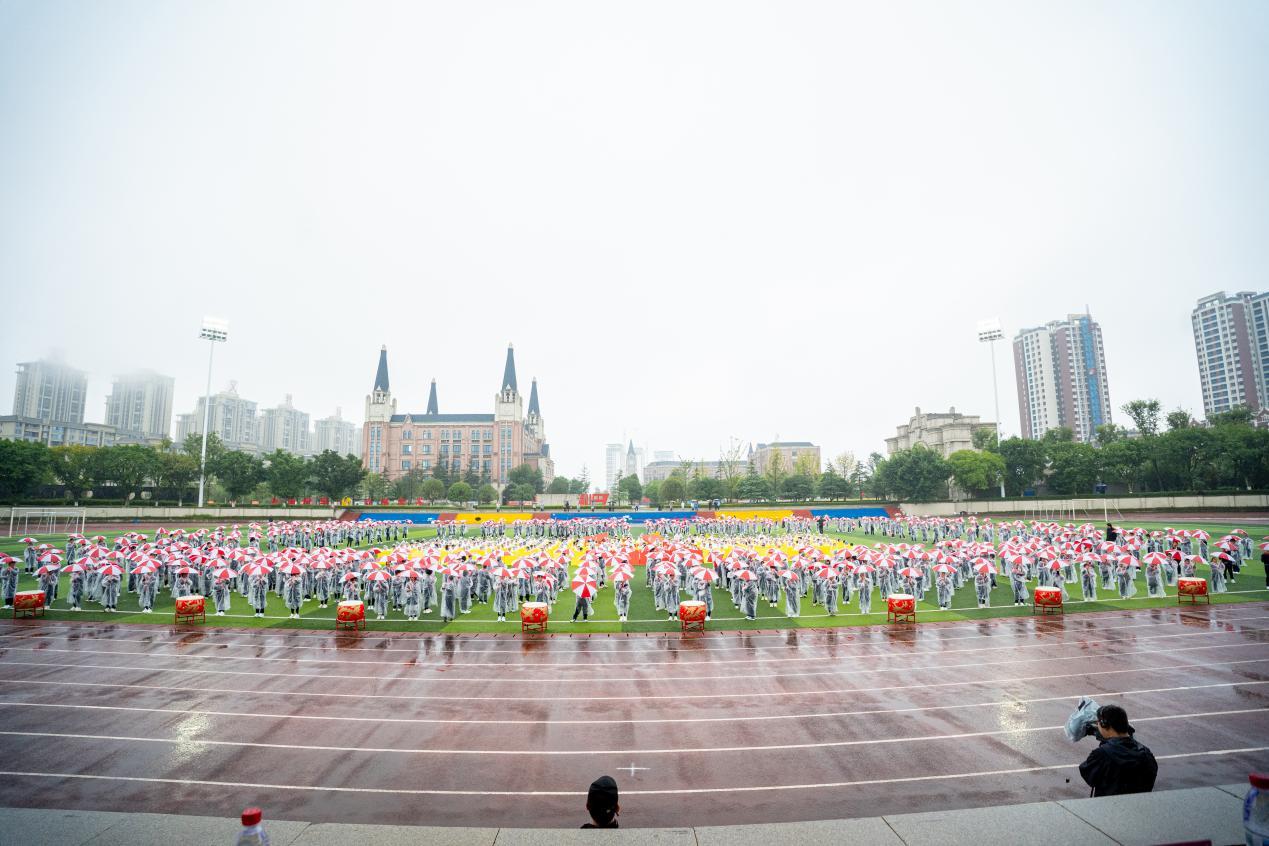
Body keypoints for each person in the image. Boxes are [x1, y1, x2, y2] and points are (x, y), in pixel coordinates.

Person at [1078, 704, 1158, 797]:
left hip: (1108, 806)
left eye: (1098, 723)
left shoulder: (1101, 754)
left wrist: (1105, 744)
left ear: (1105, 725)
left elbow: (1088, 774)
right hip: (1139, 805)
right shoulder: (1146, 754)